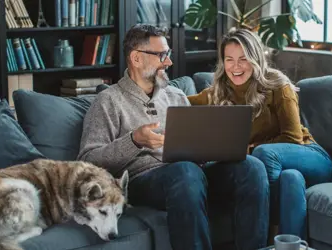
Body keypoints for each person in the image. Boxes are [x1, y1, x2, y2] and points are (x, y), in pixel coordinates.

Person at [77, 24, 269, 250]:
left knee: (252, 167)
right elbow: (88, 161)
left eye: (168, 55)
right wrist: (134, 140)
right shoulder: (108, 101)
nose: (168, 62)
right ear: (136, 58)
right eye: (161, 55)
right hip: (143, 180)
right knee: (185, 171)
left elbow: (196, 147)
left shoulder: (176, 96)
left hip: (190, 174)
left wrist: (211, 150)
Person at [187, 28, 332, 240]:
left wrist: (249, 149)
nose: (235, 67)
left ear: (255, 58)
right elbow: (181, 103)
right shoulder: (218, 91)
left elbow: (293, 137)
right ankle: (288, 245)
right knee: (290, 179)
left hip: (310, 156)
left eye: (243, 59)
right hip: (283, 169)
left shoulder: (277, 85)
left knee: (264, 154)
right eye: (229, 59)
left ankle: (265, 238)